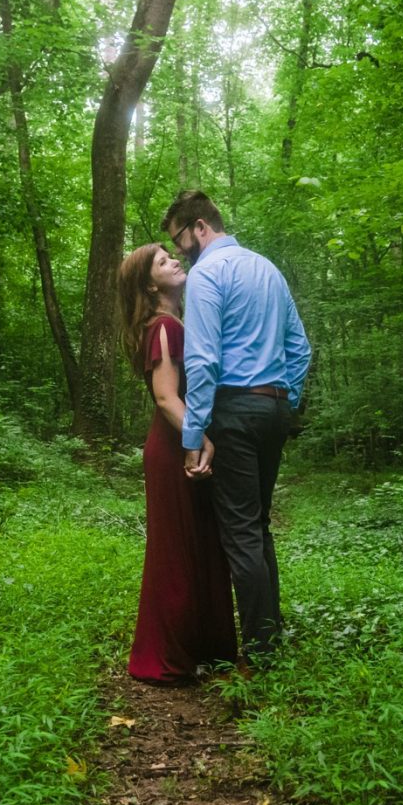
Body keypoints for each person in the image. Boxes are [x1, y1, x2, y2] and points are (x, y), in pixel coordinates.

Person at [164, 190, 310, 664]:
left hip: (233, 412)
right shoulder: (267, 268)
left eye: (180, 239)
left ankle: (262, 652)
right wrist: (285, 401)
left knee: (242, 533)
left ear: (200, 227)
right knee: (259, 525)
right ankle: (272, 634)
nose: (180, 250)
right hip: (272, 409)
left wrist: (193, 438)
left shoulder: (208, 273)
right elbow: (300, 349)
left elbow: (203, 361)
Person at [117, 242, 240, 685]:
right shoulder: (165, 327)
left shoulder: (172, 322)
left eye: (173, 255)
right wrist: (200, 439)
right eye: (163, 260)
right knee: (178, 551)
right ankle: (168, 655)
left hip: (180, 443)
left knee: (201, 544)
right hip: (174, 448)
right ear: (150, 284)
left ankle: (203, 648)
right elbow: (167, 397)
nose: (175, 260)